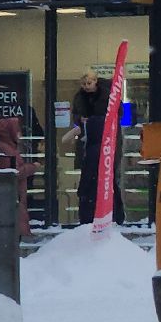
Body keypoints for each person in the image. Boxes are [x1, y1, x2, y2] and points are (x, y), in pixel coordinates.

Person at [62, 72, 123, 225]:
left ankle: (107, 215)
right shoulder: (80, 97)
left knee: (104, 179)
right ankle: (104, 215)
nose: (86, 87)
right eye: (83, 84)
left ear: (96, 82)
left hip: (105, 139)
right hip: (90, 139)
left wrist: (96, 121)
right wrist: (80, 120)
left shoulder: (108, 95)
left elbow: (118, 113)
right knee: (96, 180)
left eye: (89, 83)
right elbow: (76, 114)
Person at [0, 117, 38, 224]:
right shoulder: (4, 149)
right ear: (10, 131)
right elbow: (14, 172)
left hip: (12, 196)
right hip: (9, 197)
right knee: (12, 229)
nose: (19, 134)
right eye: (17, 130)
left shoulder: (8, 147)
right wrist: (33, 167)